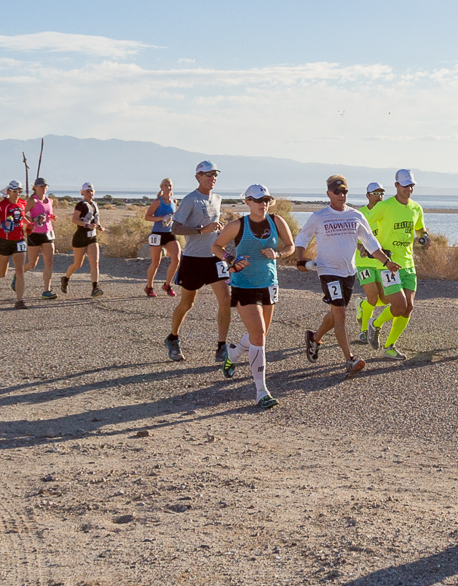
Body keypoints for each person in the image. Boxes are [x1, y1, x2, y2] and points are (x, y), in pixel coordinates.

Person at [291, 174, 398, 378]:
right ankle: (349, 359)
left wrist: (386, 262)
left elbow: (371, 243)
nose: (342, 195)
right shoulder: (319, 216)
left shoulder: (356, 216)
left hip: (348, 272)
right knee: (340, 314)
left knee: (335, 314)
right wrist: (300, 260)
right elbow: (302, 237)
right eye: (337, 192)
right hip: (327, 271)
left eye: (345, 191)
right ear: (329, 193)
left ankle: (315, 337)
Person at [213, 183, 293, 410]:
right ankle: (261, 391)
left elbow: (291, 246)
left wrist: (277, 254)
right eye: (258, 201)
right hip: (244, 285)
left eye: (266, 200)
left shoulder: (277, 221)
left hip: (269, 283)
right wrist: (231, 259)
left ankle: (234, 352)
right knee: (258, 335)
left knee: (260, 335)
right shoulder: (237, 225)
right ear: (247, 202)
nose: (263, 204)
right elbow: (216, 246)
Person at [165, 160, 233, 364]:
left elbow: (211, 224)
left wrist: (218, 229)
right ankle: (173, 338)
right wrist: (200, 230)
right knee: (187, 303)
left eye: (215, 175)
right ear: (198, 177)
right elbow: (175, 228)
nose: (212, 178)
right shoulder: (190, 200)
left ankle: (222, 347)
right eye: (208, 175)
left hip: (214, 258)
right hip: (193, 259)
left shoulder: (217, 198)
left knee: (226, 300)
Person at [363, 169, 429, 355]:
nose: (409, 189)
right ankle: (375, 325)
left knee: (408, 308)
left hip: (408, 264)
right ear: (396, 185)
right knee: (398, 305)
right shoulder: (385, 206)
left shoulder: (416, 208)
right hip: (388, 265)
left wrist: (425, 237)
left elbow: (420, 230)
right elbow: (364, 226)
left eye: (411, 185)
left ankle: (389, 347)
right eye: (405, 185)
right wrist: (367, 246)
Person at [0, 180, 32, 309]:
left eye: (20, 191)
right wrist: (0, 226)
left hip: (19, 240)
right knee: (2, 273)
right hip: (3, 241)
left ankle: (19, 301)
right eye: (15, 191)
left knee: (19, 271)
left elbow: (21, 217)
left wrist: (29, 224)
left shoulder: (22, 204)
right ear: (9, 191)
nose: (17, 194)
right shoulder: (2, 206)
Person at [353, 181, 388, 341]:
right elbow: (352, 237)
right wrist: (362, 246)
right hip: (364, 262)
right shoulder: (359, 214)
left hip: (382, 262)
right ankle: (365, 330)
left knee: (386, 298)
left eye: (381, 193)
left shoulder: (387, 214)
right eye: (375, 193)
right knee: (373, 297)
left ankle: (361, 305)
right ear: (367, 195)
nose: (379, 197)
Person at [60, 183, 105, 296]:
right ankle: (65, 278)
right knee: (77, 264)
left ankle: (95, 288)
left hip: (92, 237)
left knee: (94, 263)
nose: (90, 194)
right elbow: (74, 219)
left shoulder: (95, 204)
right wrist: (86, 225)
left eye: (91, 191)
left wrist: (99, 226)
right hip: (80, 237)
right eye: (87, 191)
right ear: (83, 193)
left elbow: (95, 220)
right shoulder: (80, 205)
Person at [143, 177, 180, 295]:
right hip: (157, 234)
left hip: (169, 233)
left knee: (176, 259)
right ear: (161, 187)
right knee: (156, 262)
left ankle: (167, 285)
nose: (168, 187)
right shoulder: (157, 202)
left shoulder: (174, 202)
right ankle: (149, 287)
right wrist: (161, 218)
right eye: (166, 185)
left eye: (170, 185)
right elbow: (147, 217)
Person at [26, 178, 59, 299]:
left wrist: (51, 216)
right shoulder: (32, 200)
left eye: (45, 186)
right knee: (31, 264)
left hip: (48, 233)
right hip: (34, 234)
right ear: (35, 187)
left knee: (49, 262)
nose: (43, 188)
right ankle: (17, 275)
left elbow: (46, 213)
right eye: (41, 186)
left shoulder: (49, 200)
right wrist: (35, 220)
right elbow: (21, 215)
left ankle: (46, 290)